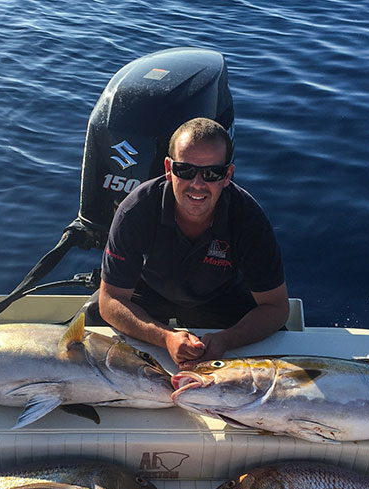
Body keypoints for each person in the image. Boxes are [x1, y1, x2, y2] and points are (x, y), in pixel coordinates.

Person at [98, 117, 289, 368]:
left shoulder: (249, 219)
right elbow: (109, 300)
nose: (197, 184)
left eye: (212, 173)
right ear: (168, 169)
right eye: (185, 170)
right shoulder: (135, 211)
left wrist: (226, 340)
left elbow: (276, 307)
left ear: (227, 175)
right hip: (150, 295)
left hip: (221, 299)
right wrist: (164, 337)